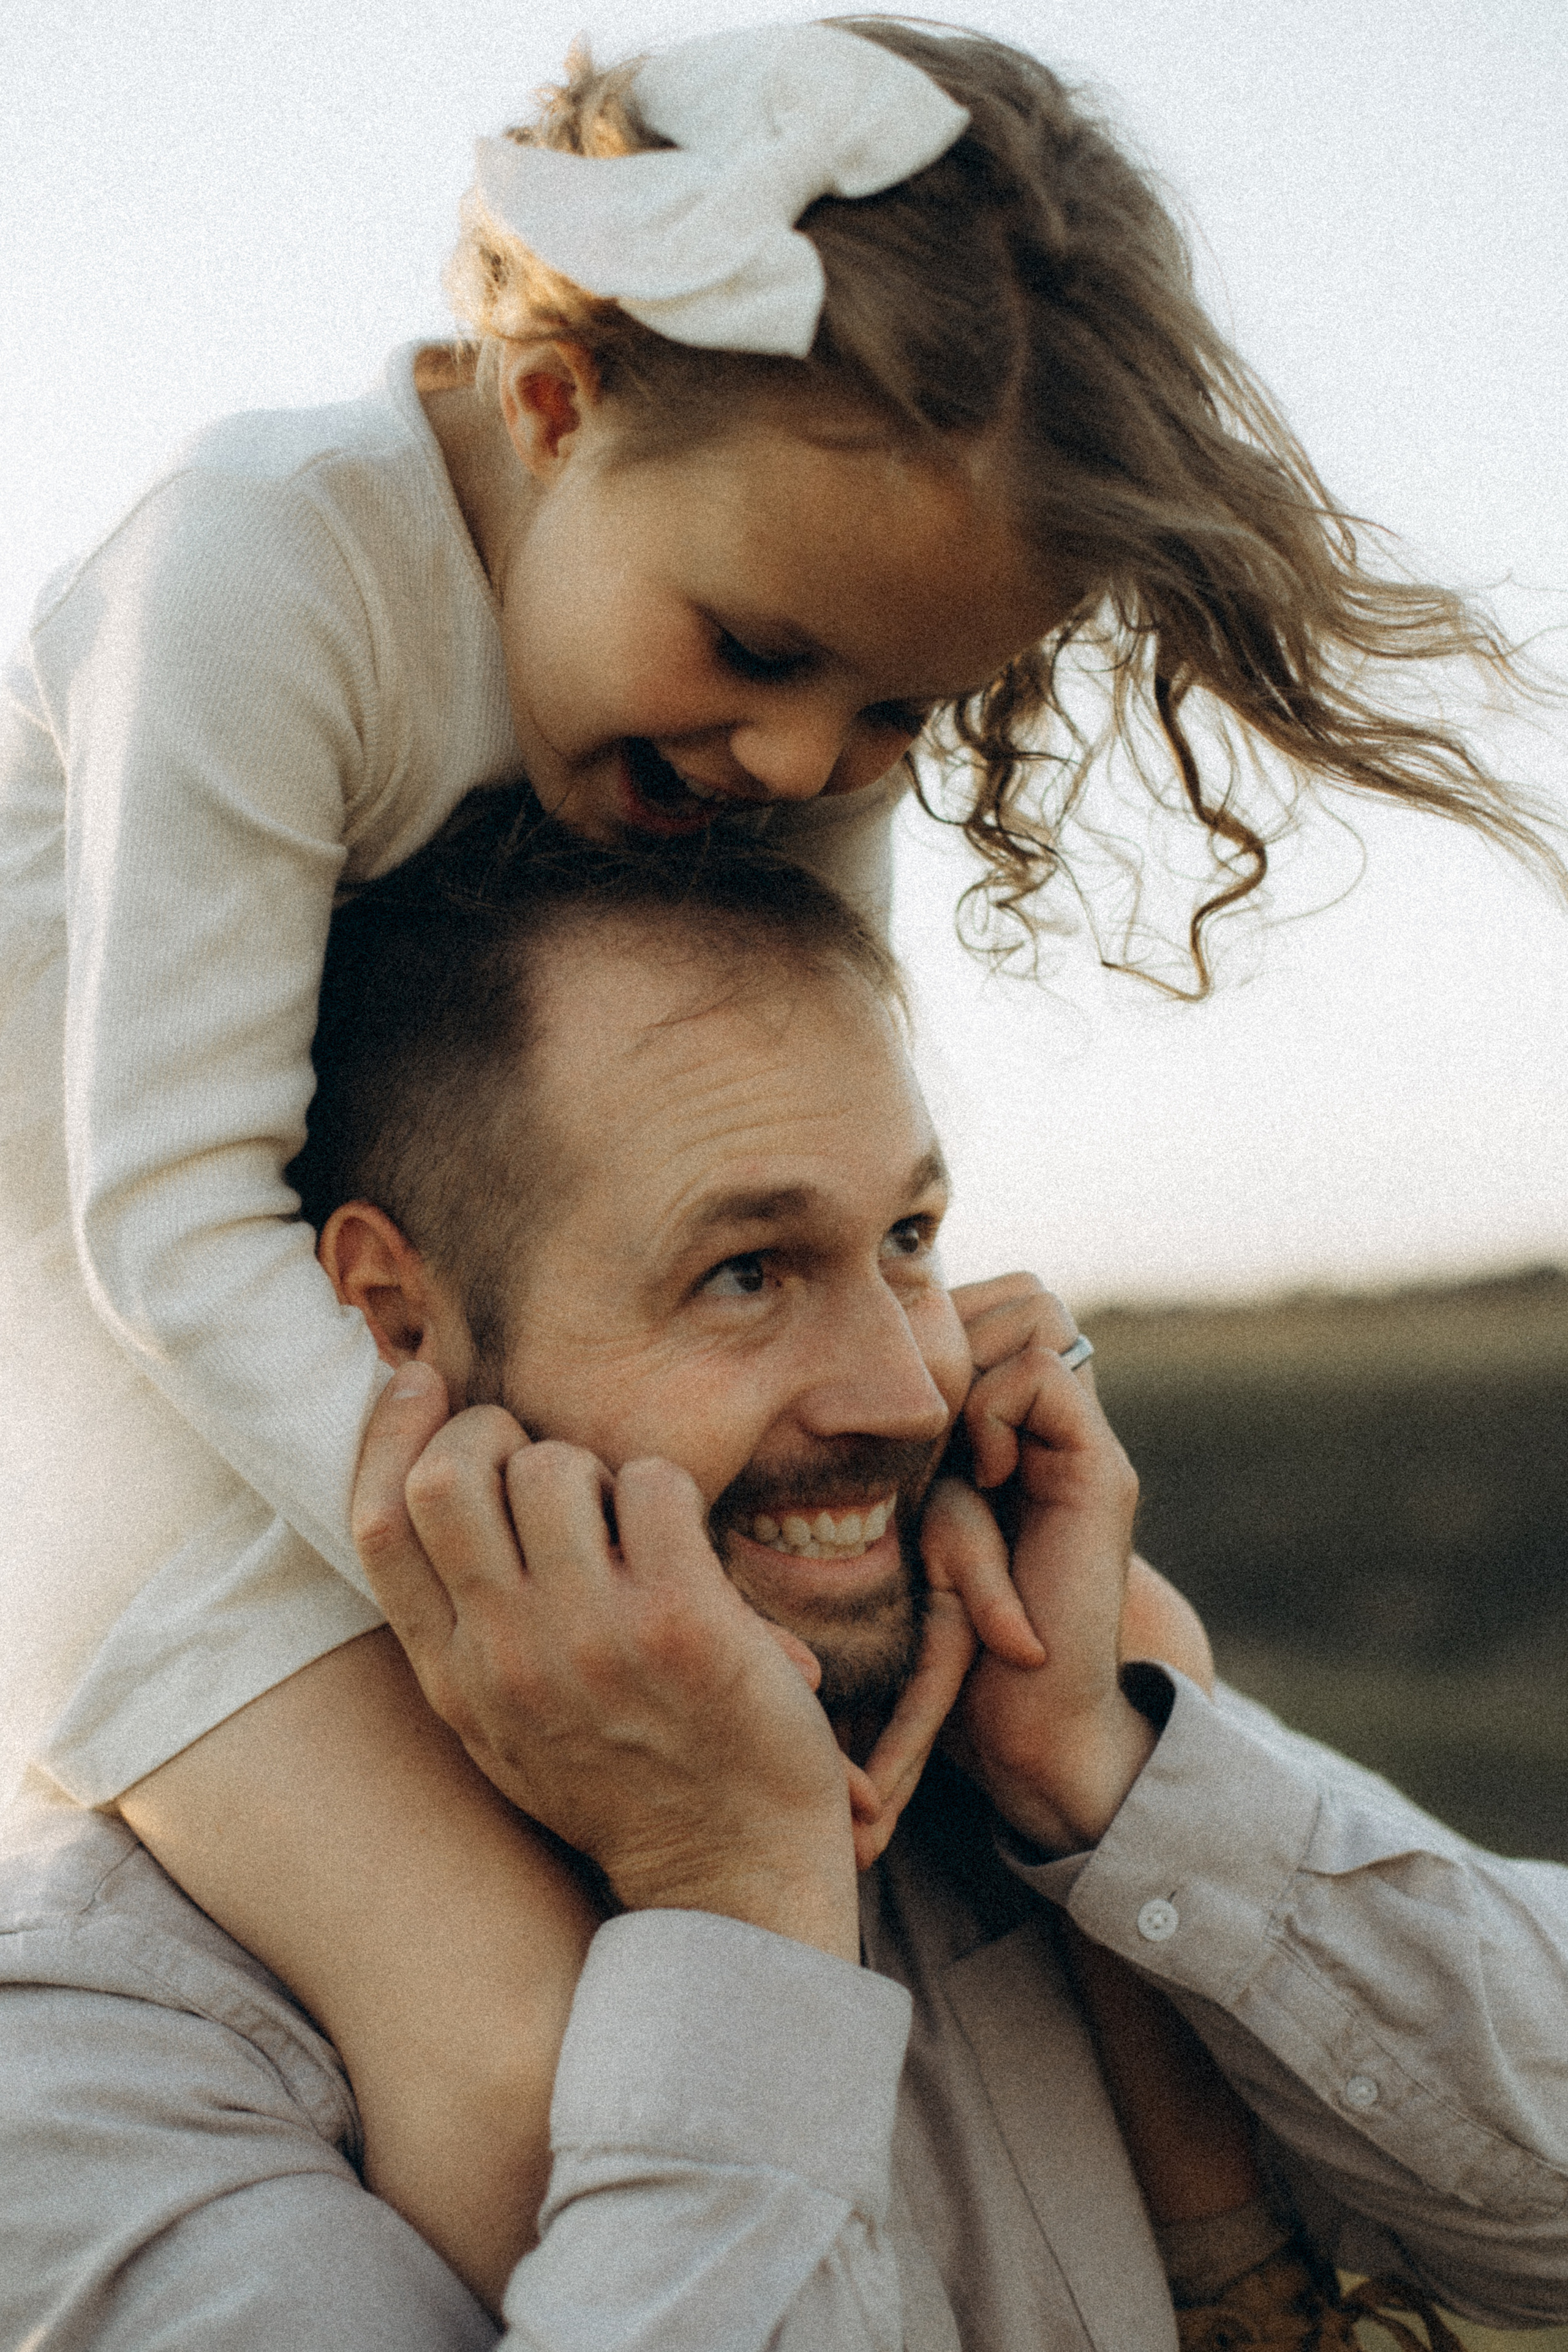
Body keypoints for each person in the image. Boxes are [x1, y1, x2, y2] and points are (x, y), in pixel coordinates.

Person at [0, 12, 1558, 2313]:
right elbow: (154, 1204)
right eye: (761, 656)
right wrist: (513, 1578)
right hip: (103, 1377)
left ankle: (1241, 2287)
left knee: (1135, 1658)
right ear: (556, 408)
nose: (806, 755)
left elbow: (799, 1061)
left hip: (409, 1329)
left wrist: (1086, 1679)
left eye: (899, 717)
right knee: (506, 2027)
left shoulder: (757, 663)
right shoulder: (265, 556)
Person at [1, 802, 1563, 2351]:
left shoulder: (984, 1753)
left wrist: (1098, 1768)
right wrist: (734, 1908)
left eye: (907, 1236)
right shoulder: (114, 2066)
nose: (904, 1390)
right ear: (392, 1325)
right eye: (744, 1274)